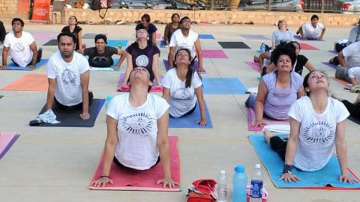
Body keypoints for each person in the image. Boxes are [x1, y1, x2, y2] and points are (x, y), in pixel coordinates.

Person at [264, 70, 357, 184]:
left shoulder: (338, 107)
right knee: (277, 143)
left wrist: (345, 172)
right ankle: (268, 134)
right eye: (314, 77)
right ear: (307, 88)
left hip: (321, 162)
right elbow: (293, 139)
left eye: (322, 76)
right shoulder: (300, 105)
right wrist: (287, 170)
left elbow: (341, 141)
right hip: (297, 159)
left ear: (328, 85)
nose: (319, 77)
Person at [91, 66, 177, 188]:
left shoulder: (159, 104)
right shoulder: (116, 102)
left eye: (144, 70)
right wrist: (105, 175)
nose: (139, 69)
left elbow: (163, 141)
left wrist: (168, 177)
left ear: (150, 82)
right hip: (121, 162)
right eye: (135, 69)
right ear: (129, 81)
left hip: (150, 162)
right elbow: (111, 140)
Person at [245, 46, 304, 127]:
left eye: (288, 61)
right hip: (268, 113)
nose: (284, 63)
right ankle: (251, 98)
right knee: (254, 100)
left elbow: (302, 102)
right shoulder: (267, 79)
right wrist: (259, 119)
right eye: (281, 61)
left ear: (292, 65)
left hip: (289, 116)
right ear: (276, 65)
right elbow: (260, 101)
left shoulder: (298, 79)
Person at [42, 32, 91, 122]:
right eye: (62, 44)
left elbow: (85, 87)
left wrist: (85, 112)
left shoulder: (82, 60)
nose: (65, 47)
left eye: (69, 44)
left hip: (79, 102)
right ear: (58, 45)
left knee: (89, 93)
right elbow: (51, 87)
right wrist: (48, 112)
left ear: (74, 45)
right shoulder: (53, 60)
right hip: (61, 103)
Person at [162, 48, 207, 127]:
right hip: (171, 111)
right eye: (179, 54)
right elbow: (165, 97)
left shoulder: (194, 75)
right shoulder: (169, 74)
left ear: (189, 61)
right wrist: (161, 118)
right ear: (175, 61)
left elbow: (200, 98)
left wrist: (203, 119)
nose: (182, 56)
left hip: (189, 109)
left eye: (185, 55)